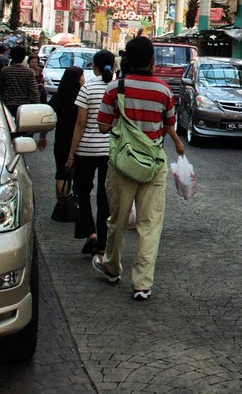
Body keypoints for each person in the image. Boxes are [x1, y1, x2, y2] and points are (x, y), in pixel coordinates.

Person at [93, 35, 185, 300]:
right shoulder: (164, 91)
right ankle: (142, 284)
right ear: (152, 61)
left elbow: (102, 126)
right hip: (154, 165)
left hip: (122, 164)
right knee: (150, 224)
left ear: (126, 60)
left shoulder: (114, 89)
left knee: (117, 221)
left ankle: (111, 266)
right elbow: (168, 124)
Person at [67, 50, 116, 257]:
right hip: (109, 150)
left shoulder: (87, 87)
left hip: (87, 149)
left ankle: (90, 234)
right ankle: (103, 243)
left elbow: (80, 123)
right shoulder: (117, 88)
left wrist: (71, 154)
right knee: (105, 198)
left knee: (83, 193)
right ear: (113, 66)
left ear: (93, 66)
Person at [50, 66, 85, 200]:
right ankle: (75, 202)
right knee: (78, 173)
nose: (84, 79)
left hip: (61, 137)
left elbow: (48, 114)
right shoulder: (81, 96)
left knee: (61, 173)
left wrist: (42, 136)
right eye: (82, 76)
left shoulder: (59, 95)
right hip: (79, 139)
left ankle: (62, 204)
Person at [0, 44, 39, 118]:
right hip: (24, 108)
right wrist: (37, 108)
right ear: (24, 58)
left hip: (7, 106)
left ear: (12, 57)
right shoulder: (29, 72)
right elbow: (34, 91)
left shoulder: (5, 71)